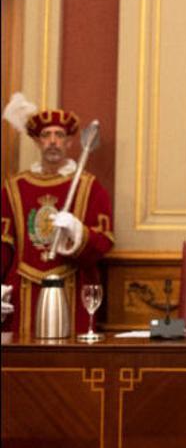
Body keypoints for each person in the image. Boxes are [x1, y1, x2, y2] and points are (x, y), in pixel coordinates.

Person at [1, 94, 114, 335]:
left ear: (70, 142)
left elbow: (105, 241)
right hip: (23, 288)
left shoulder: (89, 186)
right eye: (46, 135)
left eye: (59, 135)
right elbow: (3, 245)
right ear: (37, 142)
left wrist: (77, 231)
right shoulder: (14, 188)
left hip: (73, 285)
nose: (53, 141)